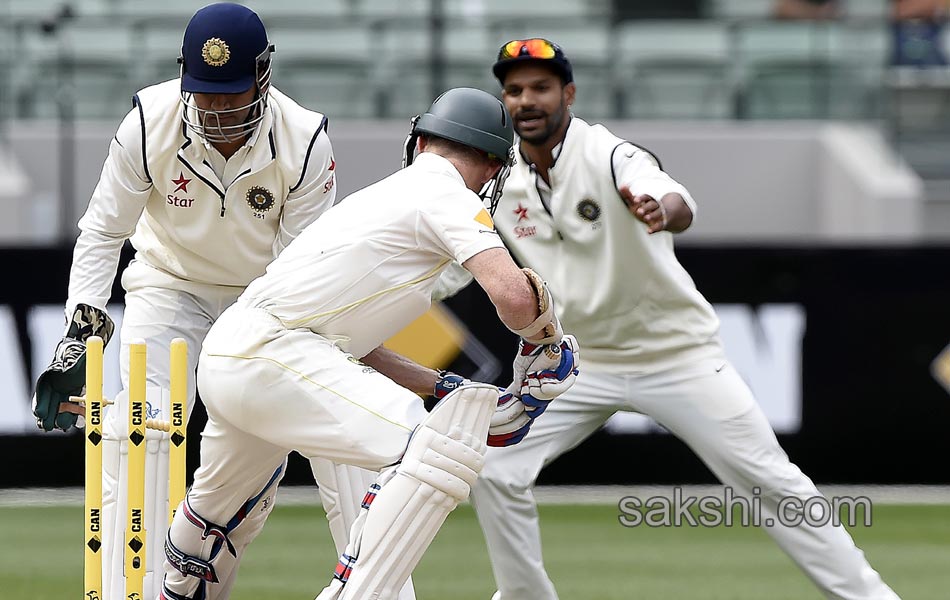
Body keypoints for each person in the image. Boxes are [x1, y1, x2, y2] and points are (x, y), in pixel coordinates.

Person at [460, 38, 901, 600]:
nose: (527, 100)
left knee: (773, 484)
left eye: (541, 87)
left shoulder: (610, 154)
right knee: (495, 470)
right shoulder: (502, 181)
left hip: (677, 356)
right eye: (515, 90)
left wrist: (660, 209)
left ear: (568, 93)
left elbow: (673, 198)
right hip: (577, 363)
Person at [157, 86, 580, 600]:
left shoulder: (379, 200)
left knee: (216, 517)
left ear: (420, 142)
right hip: (275, 355)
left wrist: (442, 388)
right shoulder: (446, 194)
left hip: (239, 354)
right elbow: (514, 297)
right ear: (493, 167)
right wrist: (546, 341)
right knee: (433, 453)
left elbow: (345, 345)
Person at [29, 4, 387, 599]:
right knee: (136, 428)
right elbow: (101, 231)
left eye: (231, 92)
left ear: (263, 75)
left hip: (263, 299)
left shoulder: (304, 141)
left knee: (276, 454)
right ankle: (127, 590)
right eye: (205, 93)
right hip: (168, 289)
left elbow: (302, 275)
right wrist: (78, 339)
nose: (217, 109)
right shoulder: (149, 120)